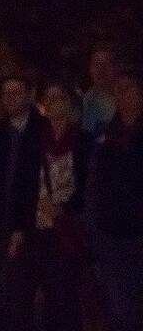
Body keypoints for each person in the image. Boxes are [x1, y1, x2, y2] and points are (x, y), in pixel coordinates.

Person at [9, 81, 93, 331]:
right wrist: (18, 226)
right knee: (45, 289)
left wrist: (66, 208)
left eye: (59, 98)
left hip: (67, 225)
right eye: (49, 98)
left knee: (66, 291)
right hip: (39, 225)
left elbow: (89, 184)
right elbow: (21, 186)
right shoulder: (33, 141)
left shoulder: (82, 141)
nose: (54, 103)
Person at [0, 75, 46, 331]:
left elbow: (35, 181)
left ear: (30, 94)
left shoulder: (42, 130)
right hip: (1, 219)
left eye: (17, 93)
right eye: (7, 94)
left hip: (33, 219)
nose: (11, 99)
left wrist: (23, 223)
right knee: (2, 288)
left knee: (25, 287)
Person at [87, 70, 143, 331]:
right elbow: (96, 179)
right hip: (111, 230)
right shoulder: (107, 134)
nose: (122, 96)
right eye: (118, 90)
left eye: (128, 89)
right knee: (117, 299)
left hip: (137, 230)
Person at [81, 47, 119, 139]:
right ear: (90, 70)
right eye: (97, 64)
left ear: (115, 67)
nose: (102, 70)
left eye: (107, 64)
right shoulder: (88, 99)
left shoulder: (126, 95)